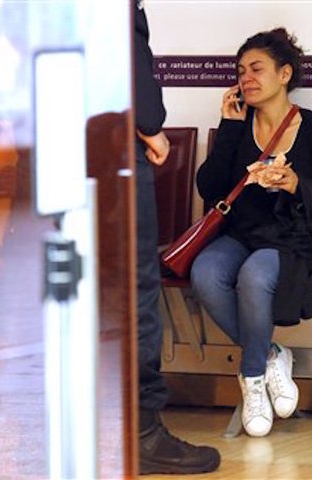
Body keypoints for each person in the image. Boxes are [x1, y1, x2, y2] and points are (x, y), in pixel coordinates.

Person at [191, 28, 312, 437]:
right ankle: (272, 354)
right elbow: (209, 187)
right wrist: (228, 128)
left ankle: (252, 377)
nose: (246, 79)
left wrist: (296, 184)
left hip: (295, 239)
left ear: (284, 74)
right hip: (242, 234)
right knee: (206, 273)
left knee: (255, 275)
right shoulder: (238, 126)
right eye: (240, 71)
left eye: (256, 69)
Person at [133, 1, 220, 474]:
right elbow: (126, 55)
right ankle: (140, 431)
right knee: (133, 290)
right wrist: (149, 126)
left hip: (51, 140)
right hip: (110, 147)